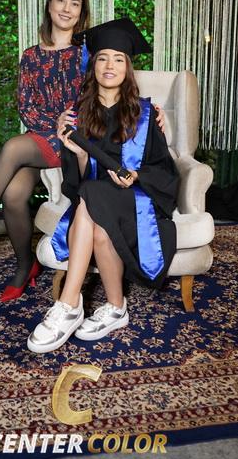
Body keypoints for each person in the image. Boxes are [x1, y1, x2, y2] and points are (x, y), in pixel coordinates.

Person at [0, 0, 165, 302]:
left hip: (76, 138)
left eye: (75, 3)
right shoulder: (30, 56)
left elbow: (115, 85)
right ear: (49, 4)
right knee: (13, 195)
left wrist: (152, 110)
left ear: (82, 12)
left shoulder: (88, 52)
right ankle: (25, 267)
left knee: (13, 147)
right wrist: (52, 126)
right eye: (61, 0)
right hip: (40, 137)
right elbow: (26, 107)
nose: (67, 8)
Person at [27, 18, 179, 354]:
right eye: (103, 58)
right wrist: (80, 154)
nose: (110, 65)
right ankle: (116, 307)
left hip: (138, 203)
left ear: (127, 67)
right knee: (95, 214)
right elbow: (78, 183)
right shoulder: (78, 115)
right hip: (94, 203)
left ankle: (68, 304)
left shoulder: (145, 114)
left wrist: (136, 176)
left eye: (118, 59)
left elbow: (166, 172)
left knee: (91, 198)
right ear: (93, 65)